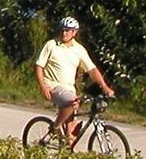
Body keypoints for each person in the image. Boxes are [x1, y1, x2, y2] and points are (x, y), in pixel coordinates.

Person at [35, 16, 115, 144]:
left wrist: (105, 87)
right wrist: (43, 86)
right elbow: (39, 66)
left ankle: (68, 152)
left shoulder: (79, 49)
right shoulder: (51, 45)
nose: (64, 33)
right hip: (53, 86)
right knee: (72, 102)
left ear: (74, 32)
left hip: (69, 89)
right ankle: (54, 128)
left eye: (68, 30)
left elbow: (92, 70)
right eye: (62, 30)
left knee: (71, 129)